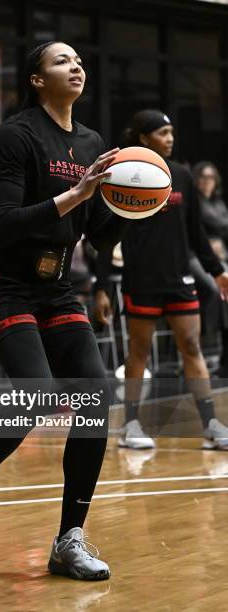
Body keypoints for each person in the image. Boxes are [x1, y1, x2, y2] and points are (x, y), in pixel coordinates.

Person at [0, 41, 130, 581]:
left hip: (57, 286)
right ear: (38, 79)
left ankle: (69, 540)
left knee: (93, 400)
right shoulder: (18, 134)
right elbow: (3, 223)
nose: (77, 66)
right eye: (62, 61)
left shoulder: (90, 142)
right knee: (38, 392)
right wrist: (78, 192)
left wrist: (132, 204)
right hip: (5, 282)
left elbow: (94, 230)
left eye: (80, 60)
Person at [94, 109, 228, 451]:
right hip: (141, 278)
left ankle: (211, 423)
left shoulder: (182, 175)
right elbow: (106, 236)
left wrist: (217, 272)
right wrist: (102, 285)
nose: (170, 139)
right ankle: (131, 423)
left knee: (192, 346)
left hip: (179, 277)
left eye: (172, 133)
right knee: (139, 351)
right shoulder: (122, 176)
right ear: (143, 138)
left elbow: (196, 233)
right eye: (162, 133)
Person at [191, 161, 228, 376]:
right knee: (215, 289)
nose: (207, 182)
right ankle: (208, 342)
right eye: (203, 177)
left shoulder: (219, 203)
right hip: (196, 255)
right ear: (196, 180)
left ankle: (224, 354)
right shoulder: (194, 202)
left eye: (211, 177)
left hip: (219, 255)